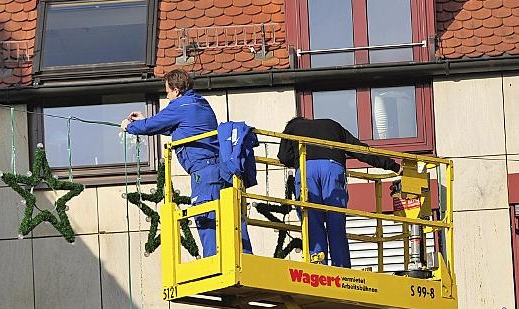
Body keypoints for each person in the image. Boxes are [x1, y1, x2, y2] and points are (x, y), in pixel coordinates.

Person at [120, 69, 252, 257]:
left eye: (167, 92)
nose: (167, 96)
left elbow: (153, 125)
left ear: (176, 90)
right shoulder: (200, 103)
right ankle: (245, 256)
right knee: (232, 215)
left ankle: (212, 262)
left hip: (203, 171)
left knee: (205, 216)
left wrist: (129, 126)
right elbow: (181, 127)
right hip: (221, 169)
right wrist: (145, 120)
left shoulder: (180, 105)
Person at [277, 117, 401, 268]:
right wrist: (394, 166)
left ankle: (317, 263)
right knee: (336, 220)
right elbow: (360, 150)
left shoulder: (292, 127)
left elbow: (283, 157)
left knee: (311, 219)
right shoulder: (332, 125)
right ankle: (341, 267)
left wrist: (297, 160)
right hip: (332, 168)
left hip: (306, 169)